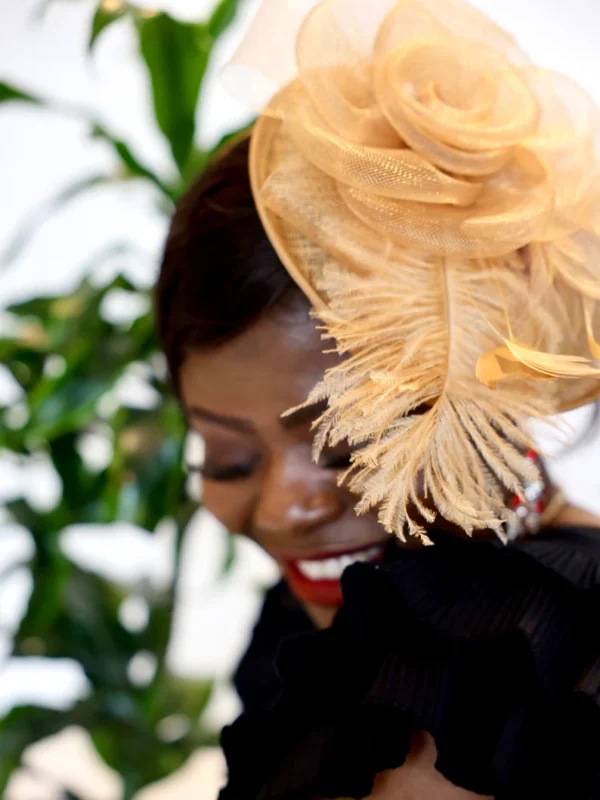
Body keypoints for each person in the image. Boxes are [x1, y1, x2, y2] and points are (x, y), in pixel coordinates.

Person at [156, 1, 600, 797]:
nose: (288, 505)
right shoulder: (303, 632)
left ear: (488, 377)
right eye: (228, 455)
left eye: (349, 445)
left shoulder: (537, 646)